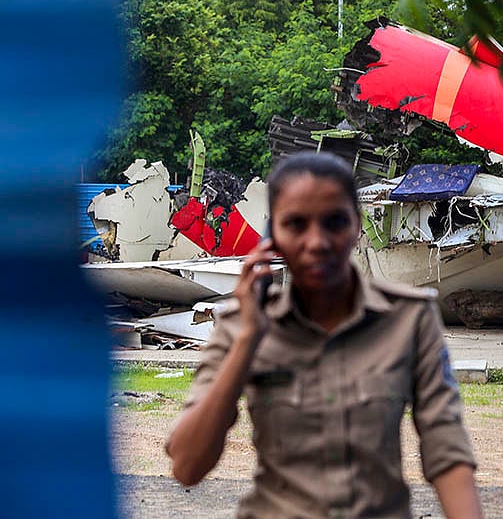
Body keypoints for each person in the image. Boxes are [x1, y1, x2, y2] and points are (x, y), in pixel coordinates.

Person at [166, 152, 482, 518]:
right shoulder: (242, 323)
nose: (316, 241)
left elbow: (446, 450)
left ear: (356, 226)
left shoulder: (407, 318)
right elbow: (187, 466)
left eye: (333, 222)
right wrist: (248, 341)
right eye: (296, 224)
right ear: (273, 237)